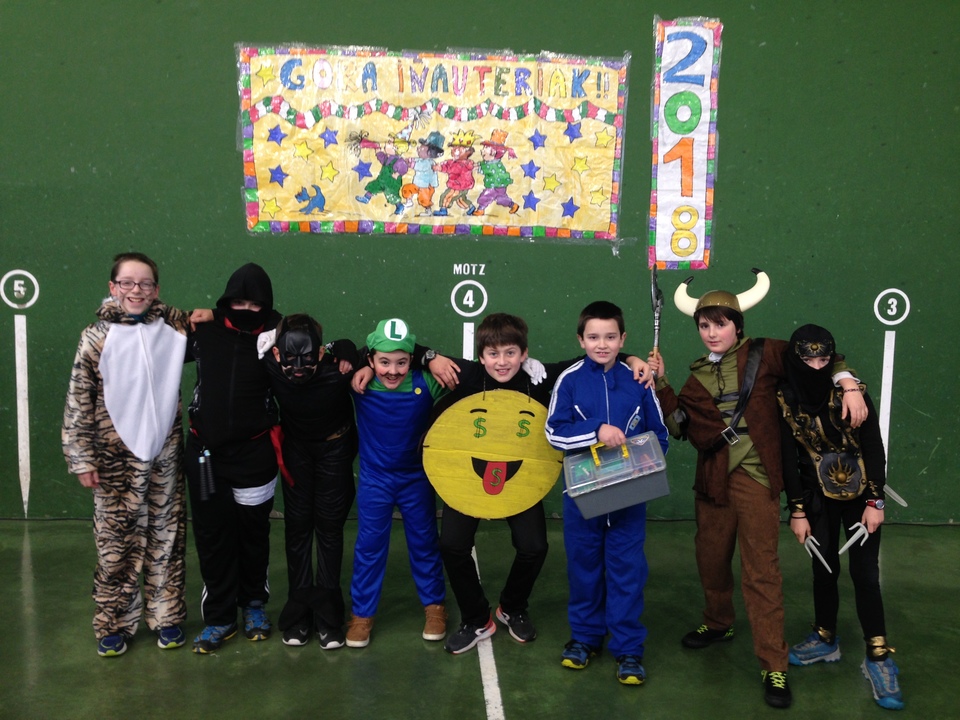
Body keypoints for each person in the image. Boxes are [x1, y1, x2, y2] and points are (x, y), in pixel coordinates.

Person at [647, 269, 867, 709]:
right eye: (704, 325)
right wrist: (662, 383)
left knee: (761, 572)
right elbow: (680, 427)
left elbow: (820, 357)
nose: (712, 333)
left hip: (758, 478)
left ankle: (774, 664)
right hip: (712, 480)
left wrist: (848, 383)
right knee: (710, 558)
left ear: (737, 325)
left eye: (720, 323)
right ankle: (719, 621)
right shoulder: (695, 377)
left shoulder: (767, 353)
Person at [433, 312, 653, 655]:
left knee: (534, 546)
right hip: (468, 478)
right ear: (481, 357)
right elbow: (410, 354)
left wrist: (633, 359)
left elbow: (594, 354)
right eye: (493, 354)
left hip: (520, 479)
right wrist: (430, 358)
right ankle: (475, 618)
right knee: (452, 544)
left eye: (511, 353)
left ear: (524, 353)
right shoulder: (468, 375)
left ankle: (512, 606)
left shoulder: (538, 377)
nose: (502, 362)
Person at [62, 252, 191, 657]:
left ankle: (167, 615)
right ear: (113, 287)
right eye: (128, 282)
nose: (137, 290)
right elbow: (79, 399)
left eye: (146, 283)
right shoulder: (95, 336)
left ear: (156, 289)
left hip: (165, 456)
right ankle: (113, 622)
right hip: (114, 460)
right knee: (115, 544)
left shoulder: (172, 328)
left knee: (167, 538)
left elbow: (214, 321)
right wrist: (82, 457)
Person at [777, 324, 904, 711]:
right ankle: (825, 636)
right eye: (808, 359)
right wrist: (797, 510)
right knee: (824, 570)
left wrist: (876, 502)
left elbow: (873, 446)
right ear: (795, 359)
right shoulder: (783, 396)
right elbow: (788, 457)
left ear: (832, 359)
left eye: (824, 359)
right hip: (816, 498)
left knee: (865, 574)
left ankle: (878, 654)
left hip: (861, 496)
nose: (816, 367)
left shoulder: (853, 391)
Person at [545, 301, 669, 687]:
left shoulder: (639, 380)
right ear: (580, 340)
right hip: (583, 495)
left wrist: (640, 459)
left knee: (627, 571)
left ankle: (628, 648)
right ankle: (585, 638)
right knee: (584, 568)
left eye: (611, 337)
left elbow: (660, 434)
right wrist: (596, 430)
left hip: (629, 496)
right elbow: (554, 432)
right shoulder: (569, 380)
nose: (602, 344)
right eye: (594, 337)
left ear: (623, 339)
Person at [184, 262, 282, 654]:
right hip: (205, 456)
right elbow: (153, 338)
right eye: (237, 303)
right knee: (213, 537)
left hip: (255, 454)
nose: (245, 310)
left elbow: (317, 342)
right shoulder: (202, 332)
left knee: (253, 535)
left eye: (254, 305)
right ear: (225, 303)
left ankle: (254, 604)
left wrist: (341, 352)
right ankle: (220, 617)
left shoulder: (277, 338)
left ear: (266, 308)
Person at [344, 318, 449, 648]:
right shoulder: (359, 383)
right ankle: (362, 615)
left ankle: (434, 607)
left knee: (425, 543)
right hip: (375, 480)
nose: (392, 371)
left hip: (415, 479)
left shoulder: (427, 382)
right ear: (371, 359)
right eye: (384, 362)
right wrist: (360, 365)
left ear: (412, 360)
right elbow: (335, 353)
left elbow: (471, 379)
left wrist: (433, 357)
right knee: (369, 547)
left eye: (401, 362)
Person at [262, 314, 359, 649]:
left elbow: (379, 353)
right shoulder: (270, 365)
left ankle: (329, 616)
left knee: (329, 528)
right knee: (298, 527)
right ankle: (299, 611)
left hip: (335, 448)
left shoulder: (339, 368)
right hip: (296, 451)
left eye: (308, 357)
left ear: (320, 353)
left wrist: (347, 349)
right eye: (290, 357)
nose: (299, 367)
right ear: (277, 353)